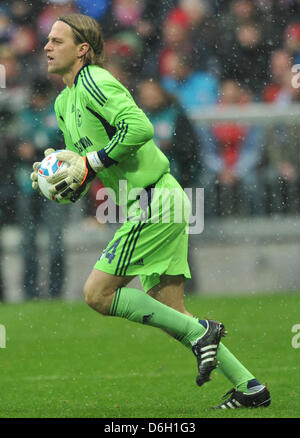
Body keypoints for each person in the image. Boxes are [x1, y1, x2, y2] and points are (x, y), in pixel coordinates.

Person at [30, 13, 270, 409]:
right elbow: (88, 164)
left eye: (57, 41)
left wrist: (90, 166)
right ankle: (251, 388)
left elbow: (138, 128)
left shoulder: (94, 80)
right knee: (174, 314)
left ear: (83, 49)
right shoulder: (63, 101)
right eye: (48, 40)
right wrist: (62, 181)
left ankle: (205, 332)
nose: (47, 47)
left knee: (97, 294)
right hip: (159, 198)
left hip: (151, 201)